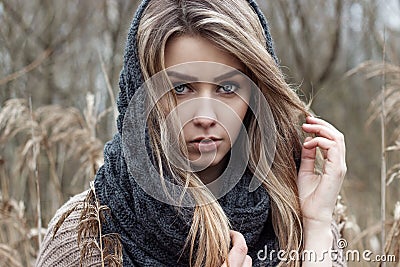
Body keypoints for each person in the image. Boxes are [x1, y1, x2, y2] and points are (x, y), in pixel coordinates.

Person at [35, 0, 347, 266]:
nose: (206, 117)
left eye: (227, 88)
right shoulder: (86, 236)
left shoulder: (295, 219)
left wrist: (317, 224)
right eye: (181, 89)